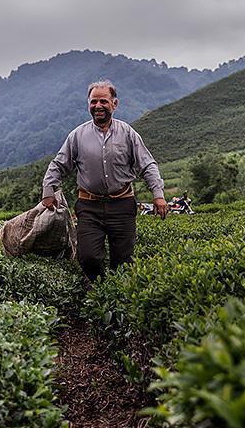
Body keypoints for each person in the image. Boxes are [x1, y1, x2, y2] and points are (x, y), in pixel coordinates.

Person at [41, 79, 167, 281]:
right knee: (88, 257)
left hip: (122, 205)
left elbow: (147, 164)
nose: (98, 106)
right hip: (89, 206)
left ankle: (117, 303)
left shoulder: (128, 133)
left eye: (103, 102)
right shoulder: (77, 135)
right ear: (88, 104)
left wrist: (158, 195)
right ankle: (97, 294)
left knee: (123, 262)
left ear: (114, 104)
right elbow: (59, 164)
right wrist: (48, 190)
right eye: (93, 102)